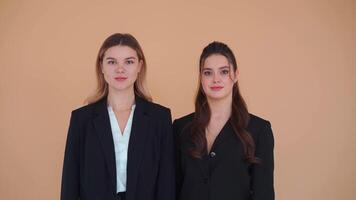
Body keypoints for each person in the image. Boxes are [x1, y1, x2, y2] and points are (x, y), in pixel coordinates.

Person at [61, 33, 175, 200]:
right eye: (112, 62)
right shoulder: (81, 120)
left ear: (139, 66)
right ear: (101, 66)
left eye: (129, 62)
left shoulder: (159, 119)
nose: (120, 69)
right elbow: (70, 186)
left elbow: (166, 185)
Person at [173, 41, 274, 200]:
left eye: (224, 72)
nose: (216, 79)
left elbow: (264, 193)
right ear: (200, 78)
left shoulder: (259, 130)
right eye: (208, 73)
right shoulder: (181, 128)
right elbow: (173, 187)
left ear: (236, 75)